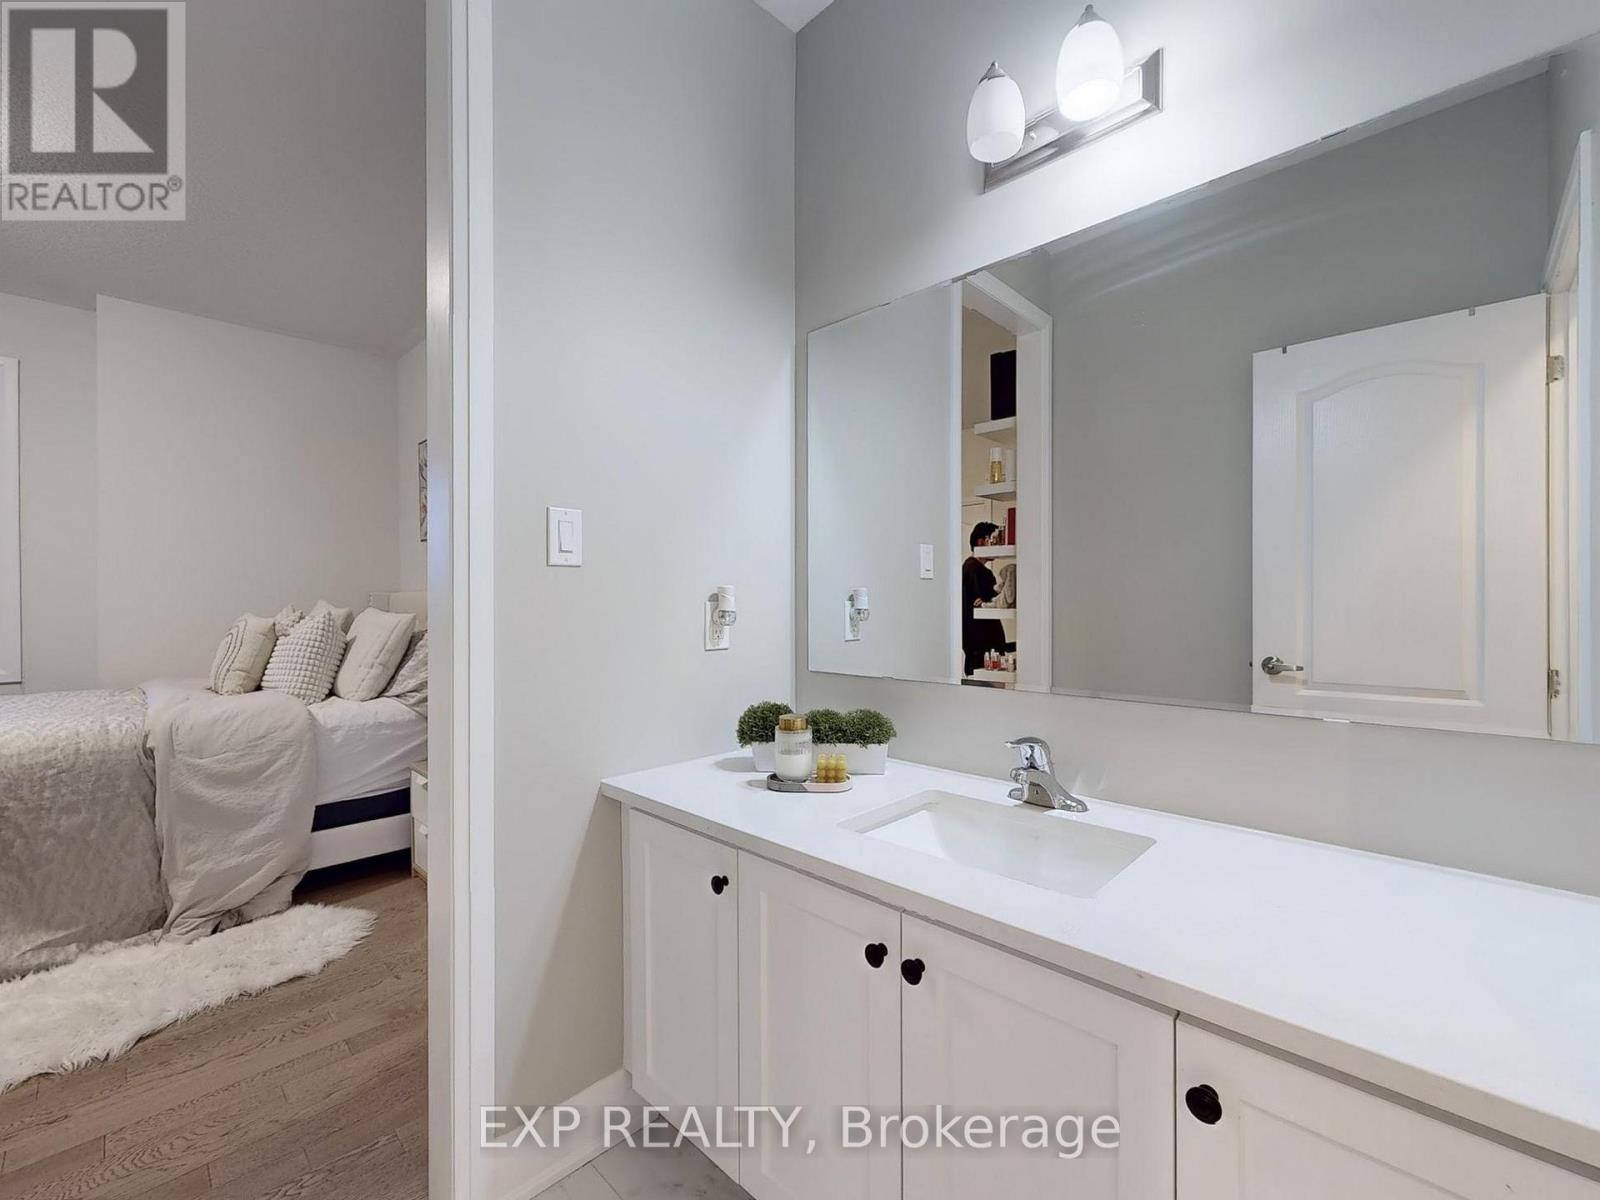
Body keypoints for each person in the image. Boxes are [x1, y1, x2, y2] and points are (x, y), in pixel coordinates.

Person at [961, 522, 1011, 679]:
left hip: (977, 642)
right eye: (995, 539)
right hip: (982, 642)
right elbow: (989, 601)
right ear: (981, 542)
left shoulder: (970, 568)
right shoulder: (976, 570)